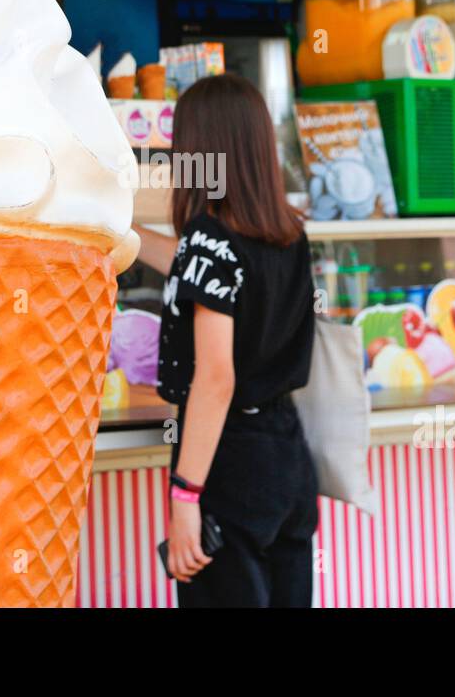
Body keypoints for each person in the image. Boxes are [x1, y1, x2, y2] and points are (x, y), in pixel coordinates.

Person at [134, 72, 318, 607]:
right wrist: (115, 227)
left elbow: (216, 379)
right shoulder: (287, 232)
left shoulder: (211, 238)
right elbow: (203, 273)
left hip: (230, 466)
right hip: (287, 458)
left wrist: (186, 495)